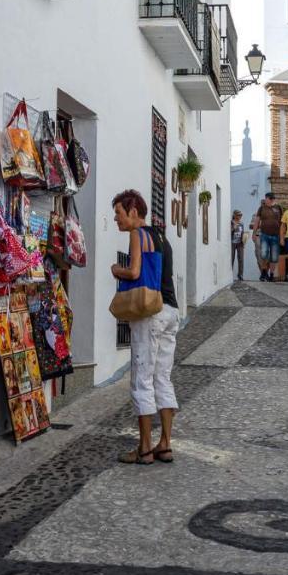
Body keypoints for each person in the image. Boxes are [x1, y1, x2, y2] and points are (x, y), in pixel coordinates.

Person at [110, 189, 179, 465]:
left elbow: (135, 272)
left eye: (119, 213)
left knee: (142, 378)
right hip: (171, 310)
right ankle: (165, 444)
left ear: (134, 212)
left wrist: (117, 269)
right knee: (163, 377)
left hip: (150, 312)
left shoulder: (137, 235)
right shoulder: (162, 237)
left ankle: (144, 448)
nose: (116, 219)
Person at [252, 192, 282, 282]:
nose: (266, 200)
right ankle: (264, 272)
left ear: (271, 199)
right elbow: (257, 221)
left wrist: (282, 235)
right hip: (264, 235)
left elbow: (282, 222)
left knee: (274, 257)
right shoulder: (261, 208)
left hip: (276, 235)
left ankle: (271, 275)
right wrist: (254, 233)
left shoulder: (278, 208)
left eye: (267, 199)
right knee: (264, 255)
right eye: (266, 199)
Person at [230, 210, 246, 280]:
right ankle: (230, 274)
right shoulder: (231, 222)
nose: (240, 216)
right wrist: (234, 227)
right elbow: (229, 231)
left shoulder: (241, 224)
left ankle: (240, 275)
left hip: (240, 243)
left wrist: (244, 240)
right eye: (239, 215)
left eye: (241, 215)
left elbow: (242, 232)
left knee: (241, 259)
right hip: (232, 242)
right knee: (231, 258)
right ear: (235, 215)